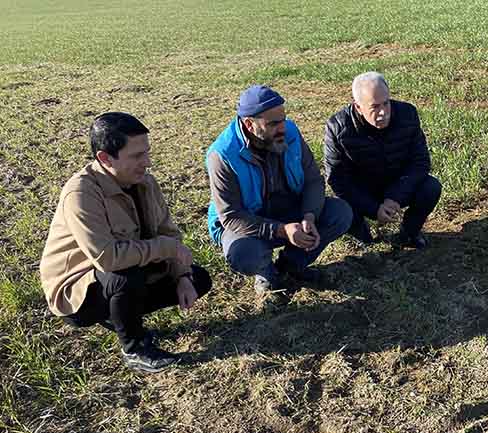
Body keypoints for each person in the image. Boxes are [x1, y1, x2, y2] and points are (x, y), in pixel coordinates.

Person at [39, 112, 212, 373]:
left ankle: (119, 314)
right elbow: (107, 258)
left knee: (199, 279)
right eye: (136, 156)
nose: (148, 162)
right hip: (79, 290)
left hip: (130, 268)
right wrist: (166, 249)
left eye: (147, 152)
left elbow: (168, 232)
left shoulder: (145, 182)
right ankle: (135, 348)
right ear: (105, 158)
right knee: (123, 277)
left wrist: (181, 276)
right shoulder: (81, 193)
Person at [206, 85, 352, 305]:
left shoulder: (290, 133)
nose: (282, 127)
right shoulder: (222, 155)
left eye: (283, 119)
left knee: (340, 213)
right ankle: (267, 273)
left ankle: (291, 266)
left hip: (287, 207)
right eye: (273, 123)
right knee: (243, 253)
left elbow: (313, 179)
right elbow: (232, 216)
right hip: (247, 221)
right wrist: (282, 230)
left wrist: (309, 216)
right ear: (249, 124)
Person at [324, 72, 441, 249]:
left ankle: (409, 233)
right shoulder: (338, 128)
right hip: (363, 190)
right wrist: (372, 208)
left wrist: (395, 196)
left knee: (431, 188)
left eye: (386, 103)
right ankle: (364, 239)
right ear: (358, 107)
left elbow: (420, 161)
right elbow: (337, 179)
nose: (383, 112)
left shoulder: (407, 115)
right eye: (374, 107)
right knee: (342, 207)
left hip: (398, 184)